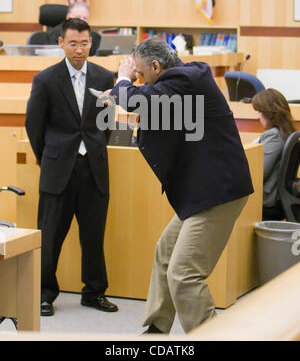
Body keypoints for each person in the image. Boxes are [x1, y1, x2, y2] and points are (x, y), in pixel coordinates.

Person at [102, 37, 254, 334]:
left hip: (217, 192)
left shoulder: (186, 79)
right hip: (202, 191)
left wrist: (123, 80)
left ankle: (212, 336)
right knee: (165, 253)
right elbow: (148, 105)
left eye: (142, 74)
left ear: (157, 66)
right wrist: (127, 90)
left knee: (184, 274)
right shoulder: (180, 81)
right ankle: (158, 328)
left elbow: (136, 99)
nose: (140, 81)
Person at [25, 18, 118, 316]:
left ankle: (93, 292)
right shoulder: (46, 80)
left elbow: (106, 123)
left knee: (94, 236)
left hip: (93, 167)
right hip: (58, 168)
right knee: (50, 235)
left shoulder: (105, 77)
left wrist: (92, 148)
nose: (79, 49)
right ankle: (44, 293)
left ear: (91, 43)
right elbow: (34, 127)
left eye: (85, 43)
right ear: (61, 44)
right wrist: (50, 155)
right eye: (73, 43)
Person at [252, 88, 296, 220]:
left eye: (259, 111)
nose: (257, 116)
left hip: (266, 203)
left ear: (269, 113)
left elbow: (257, 174)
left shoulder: (274, 136)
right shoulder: (286, 134)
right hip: (277, 202)